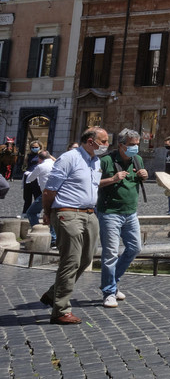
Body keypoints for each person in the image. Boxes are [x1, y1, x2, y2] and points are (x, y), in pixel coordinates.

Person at [40, 127, 110, 325]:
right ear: (90, 141)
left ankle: (52, 294)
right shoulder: (69, 158)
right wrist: (48, 213)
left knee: (86, 259)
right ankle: (60, 310)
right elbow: (49, 190)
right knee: (70, 261)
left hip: (89, 213)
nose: (106, 145)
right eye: (103, 141)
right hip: (68, 213)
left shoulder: (95, 161)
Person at [97, 128, 149, 308]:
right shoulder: (105, 161)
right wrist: (113, 179)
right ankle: (109, 292)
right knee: (110, 253)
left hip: (131, 211)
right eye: (132, 145)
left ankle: (112, 281)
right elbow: (92, 183)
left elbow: (138, 178)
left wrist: (144, 175)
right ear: (121, 145)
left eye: (137, 144)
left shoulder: (137, 159)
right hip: (109, 212)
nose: (136, 148)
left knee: (135, 248)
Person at [21, 140, 44, 214]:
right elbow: (25, 164)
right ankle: (25, 212)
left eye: (36, 147)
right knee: (27, 196)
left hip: (36, 177)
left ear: (40, 147)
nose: (34, 148)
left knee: (37, 195)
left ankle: (35, 213)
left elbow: (53, 160)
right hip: (28, 175)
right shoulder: (29, 155)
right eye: (32, 147)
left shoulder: (42, 155)